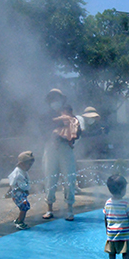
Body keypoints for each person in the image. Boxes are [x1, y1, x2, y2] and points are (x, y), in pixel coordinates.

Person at [42, 89, 81, 221]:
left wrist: (68, 136)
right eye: (52, 99)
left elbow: (78, 131)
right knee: (50, 177)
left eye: (57, 98)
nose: (55, 102)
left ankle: (69, 209)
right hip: (51, 148)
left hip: (65, 148)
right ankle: (49, 208)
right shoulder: (46, 116)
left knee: (69, 177)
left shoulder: (69, 115)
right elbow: (42, 131)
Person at [103, 174, 129, 259]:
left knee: (111, 251)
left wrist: (107, 228)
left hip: (111, 233)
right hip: (124, 233)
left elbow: (106, 217)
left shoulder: (107, 203)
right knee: (125, 252)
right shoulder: (126, 204)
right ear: (122, 190)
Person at [8, 151, 35, 230]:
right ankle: (20, 222)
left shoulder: (23, 171)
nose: (30, 166)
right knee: (24, 206)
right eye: (29, 164)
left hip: (21, 193)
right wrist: (26, 189)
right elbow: (14, 183)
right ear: (21, 164)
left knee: (24, 207)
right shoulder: (17, 173)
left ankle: (19, 220)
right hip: (17, 194)